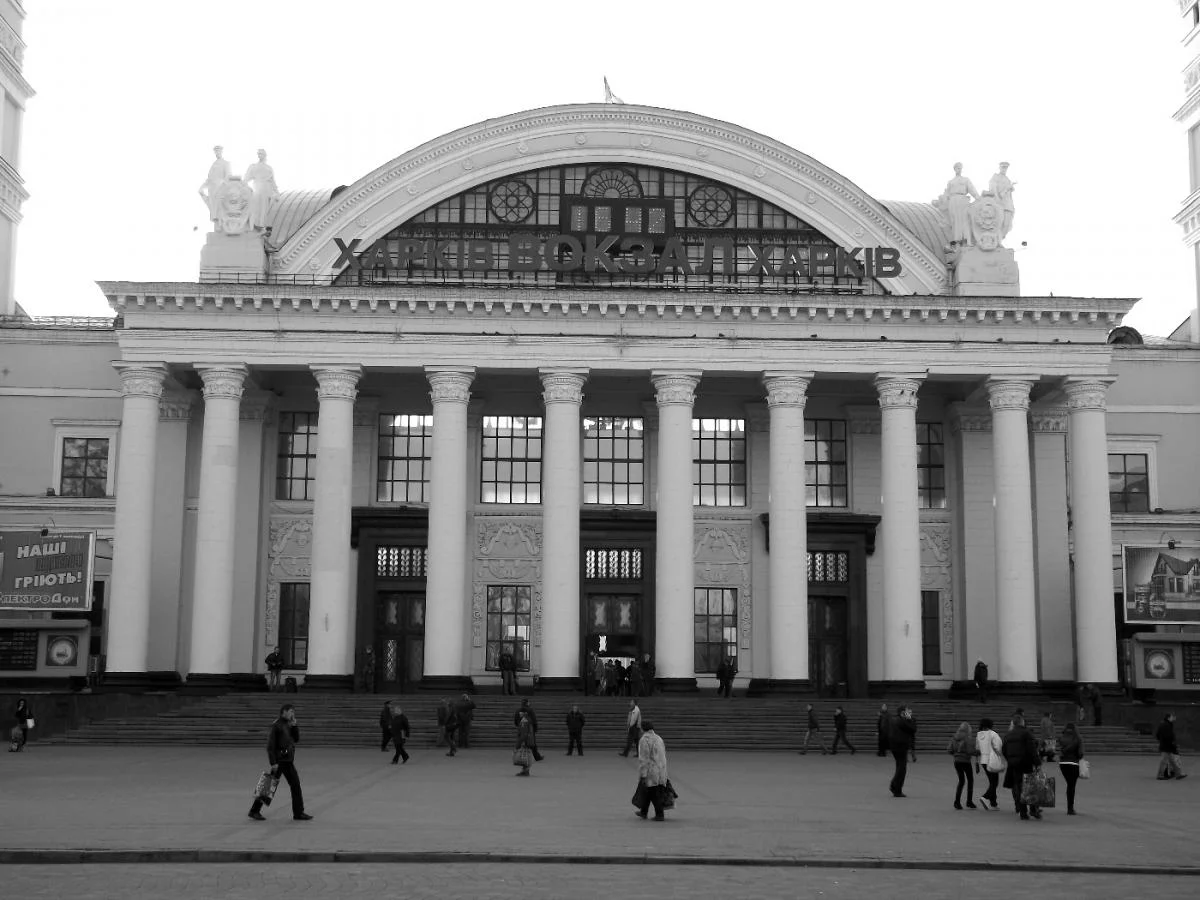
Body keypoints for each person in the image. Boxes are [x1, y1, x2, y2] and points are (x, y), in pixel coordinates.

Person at [248, 703, 311, 821]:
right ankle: (254, 811)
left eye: (293, 712)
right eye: (291, 711)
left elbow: (296, 739)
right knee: (268, 785)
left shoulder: (289, 724)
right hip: (279, 761)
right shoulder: (276, 725)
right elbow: (270, 746)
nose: (293, 714)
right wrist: (273, 762)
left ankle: (298, 813)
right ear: (284, 712)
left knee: (295, 785)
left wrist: (294, 726)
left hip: (288, 760)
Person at [1001, 714, 1041, 820]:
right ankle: (1033, 809)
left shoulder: (1008, 735)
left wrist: (1010, 759)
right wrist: (1037, 763)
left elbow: (1004, 750)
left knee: (1019, 787)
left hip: (1014, 764)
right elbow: (1032, 749)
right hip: (1026, 762)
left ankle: (1023, 811)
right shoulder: (1026, 733)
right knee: (1031, 786)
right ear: (1022, 722)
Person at [937, 162, 979, 246]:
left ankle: (967, 240)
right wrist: (940, 201)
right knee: (955, 221)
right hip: (953, 201)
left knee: (965, 220)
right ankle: (957, 240)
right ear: (954, 169)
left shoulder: (965, 180)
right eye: (957, 168)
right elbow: (947, 194)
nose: (959, 169)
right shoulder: (951, 182)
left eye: (960, 168)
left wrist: (978, 198)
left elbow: (972, 190)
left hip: (963, 200)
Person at [634, 720, 669, 821]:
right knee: (649, 791)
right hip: (661, 768)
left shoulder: (644, 740)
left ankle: (660, 814)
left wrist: (643, 774)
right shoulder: (658, 738)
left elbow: (644, 759)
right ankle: (643, 811)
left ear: (642, 729)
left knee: (653, 792)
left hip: (651, 770)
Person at [243, 148, 279, 231]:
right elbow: (246, 179)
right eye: (258, 154)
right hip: (257, 188)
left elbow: (273, 181)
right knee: (256, 208)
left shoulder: (269, 168)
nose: (259, 155)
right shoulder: (253, 166)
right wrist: (246, 188)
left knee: (264, 209)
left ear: (265, 155)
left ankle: (262, 226)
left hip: (266, 189)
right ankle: (254, 226)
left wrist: (277, 192)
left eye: (261, 154)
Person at [198, 145, 231, 228]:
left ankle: (223, 227)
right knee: (214, 211)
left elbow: (228, 177)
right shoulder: (213, 165)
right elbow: (209, 179)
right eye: (216, 152)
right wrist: (202, 187)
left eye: (218, 151)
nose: (217, 153)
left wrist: (224, 187)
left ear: (221, 152)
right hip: (212, 190)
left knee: (220, 209)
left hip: (220, 189)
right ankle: (217, 228)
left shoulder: (225, 163)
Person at [975, 717, 1004, 810]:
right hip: (992, 760)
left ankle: (993, 803)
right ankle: (985, 797)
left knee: (992, 781)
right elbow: (998, 746)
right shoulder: (993, 734)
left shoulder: (979, 735)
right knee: (995, 782)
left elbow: (977, 749)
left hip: (983, 760)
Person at [947, 721, 977, 810]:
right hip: (966, 761)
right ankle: (969, 801)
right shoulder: (968, 738)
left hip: (957, 761)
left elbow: (949, 750)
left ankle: (957, 802)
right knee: (970, 780)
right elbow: (970, 751)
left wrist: (956, 754)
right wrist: (978, 752)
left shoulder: (954, 737)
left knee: (961, 781)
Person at [888, 704, 916, 797]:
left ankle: (896, 788)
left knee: (899, 766)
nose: (909, 712)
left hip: (895, 746)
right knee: (902, 768)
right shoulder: (902, 721)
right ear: (903, 712)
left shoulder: (894, 719)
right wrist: (910, 718)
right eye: (907, 711)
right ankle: (895, 787)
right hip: (901, 746)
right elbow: (913, 729)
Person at [1058, 721, 1084, 815]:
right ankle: (1070, 808)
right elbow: (1080, 754)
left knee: (1069, 784)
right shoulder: (1077, 738)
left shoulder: (1061, 737)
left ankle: (1070, 807)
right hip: (1073, 763)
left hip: (1063, 763)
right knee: (1071, 785)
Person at [988, 162, 1016, 240]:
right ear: (999, 168)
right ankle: (995, 240)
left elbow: (1008, 194)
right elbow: (993, 189)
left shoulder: (1007, 179)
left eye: (1006, 168)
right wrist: (1007, 188)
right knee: (999, 224)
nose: (1004, 169)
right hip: (999, 204)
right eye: (1003, 167)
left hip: (1008, 204)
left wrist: (1010, 188)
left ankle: (999, 240)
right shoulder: (996, 177)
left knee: (1007, 224)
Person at [1156, 713, 1188, 780]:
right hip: (1167, 746)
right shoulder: (1167, 725)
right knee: (1164, 761)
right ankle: (1160, 775)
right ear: (1168, 718)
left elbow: (1158, 735)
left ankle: (1178, 774)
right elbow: (1168, 736)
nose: (1173, 718)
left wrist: (1162, 741)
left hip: (1166, 745)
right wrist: (1171, 743)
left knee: (1172, 761)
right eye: (1172, 717)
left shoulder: (1165, 724)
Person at [514, 712, 535, 776]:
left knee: (524, 756)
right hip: (528, 740)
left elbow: (524, 733)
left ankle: (525, 771)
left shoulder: (524, 721)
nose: (519, 714)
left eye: (520, 712)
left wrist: (521, 742)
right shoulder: (528, 719)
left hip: (525, 741)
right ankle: (525, 770)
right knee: (526, 755)